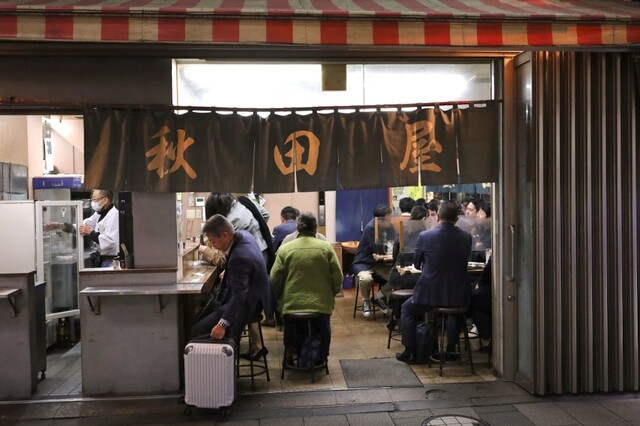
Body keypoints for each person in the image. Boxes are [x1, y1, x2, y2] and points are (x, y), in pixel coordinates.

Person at [396, 200, 472, 364]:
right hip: (458, 294)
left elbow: (417, 264)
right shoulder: (466, 237)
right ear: (457, 218)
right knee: (453, 313)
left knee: (407, 309)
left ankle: (410, 351)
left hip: (429, 294)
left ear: (437, 216)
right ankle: (451, 350)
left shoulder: (425, 236)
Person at [191, 215, 272, 356]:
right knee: (205, 313)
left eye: (213, 241)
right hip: (256, 295)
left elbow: (239, 296)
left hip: (248, 305)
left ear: (225, 235)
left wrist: (222, 324)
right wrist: (229, 273)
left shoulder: (239, 257)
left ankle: (219, 367)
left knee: (197, 330)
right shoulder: (244, 235)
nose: (213, 245)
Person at [270, 212, 342, 367]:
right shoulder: (326, 247)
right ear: (315, 228)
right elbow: (338, 277)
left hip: (292, 304)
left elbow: (275, 279)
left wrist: (278, 299)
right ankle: (322, 356)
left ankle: (290, 353)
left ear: (298, 228)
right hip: (321, 304)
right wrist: (332, 293)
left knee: (291, 325)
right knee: (323, 324)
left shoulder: (285, 249)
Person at [44, 189, 120, 268]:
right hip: (101, 258)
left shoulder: (114, 216)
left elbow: (110, 242)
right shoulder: (98, 214)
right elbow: (80, 226)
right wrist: (59, 226)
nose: (93, 202)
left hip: (110, 261)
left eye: (95, 199)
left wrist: (90, 233)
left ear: (105, 200)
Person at [385, 205, 427, 330]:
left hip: (397, 274)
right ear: (423, 218)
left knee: (406, 287)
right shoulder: (424, 232)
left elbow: (395, 250)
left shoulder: (403, 228)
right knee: (425, 283)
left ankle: (397, 317)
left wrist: (397, 267)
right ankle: (419, 320)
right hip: (414, 274)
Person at [352, 204, 397, 319]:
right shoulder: (370, 228)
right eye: (388, 219)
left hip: (381, 264)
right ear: (380, 220)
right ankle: (366, 301)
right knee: (365, 279)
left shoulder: (390, 226)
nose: (390, 221)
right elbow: (377, 248)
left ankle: (378, 297)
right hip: (365, 263)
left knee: (397, 277)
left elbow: (395, 242)